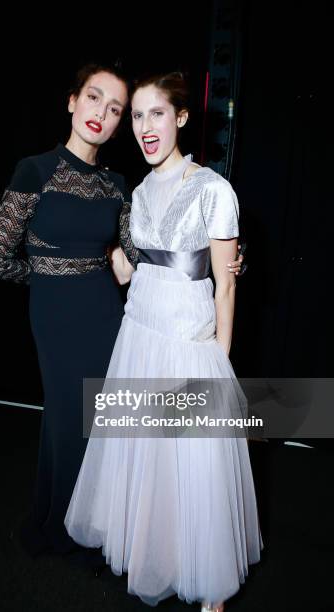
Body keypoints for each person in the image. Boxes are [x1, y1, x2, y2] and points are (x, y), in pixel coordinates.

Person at [0, 63, 244, 561]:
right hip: (56, 315)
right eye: (93, 98)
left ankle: (105, 529)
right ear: (71, 101)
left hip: (111, 314)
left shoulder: (119, 184)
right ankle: (59, 523)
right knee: (66, 418)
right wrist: (50, 275)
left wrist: (223, 256)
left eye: (114, 108)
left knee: (112, 424)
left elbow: (142, 255)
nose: (101, 113)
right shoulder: (35, 170)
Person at [64, 72, 262, 611]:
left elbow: (225, 284)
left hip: (186, 343)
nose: (145, 127)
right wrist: (66, 245)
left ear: (180, 118)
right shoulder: (138, 191)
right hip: (140, 336)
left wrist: (218, 357)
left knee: (193, 468)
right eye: (137, 116)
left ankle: (209, 584)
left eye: (157, 114)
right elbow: (127, 268)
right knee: (147, 461)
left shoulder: (214, 189)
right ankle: (155, 553)